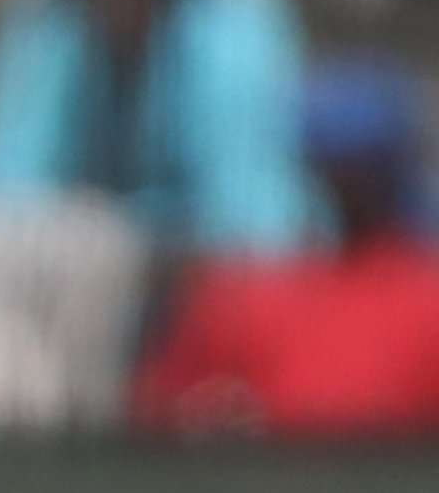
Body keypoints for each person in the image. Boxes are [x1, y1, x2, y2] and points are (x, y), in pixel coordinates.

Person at [0, 0, 321, 264]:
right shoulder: (42, 29)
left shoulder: (238, 32)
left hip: (211, 275)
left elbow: (257, 217)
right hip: (83, 270)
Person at [133, 59, 439, 439]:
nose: (345, 178)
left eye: (358, 165)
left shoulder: (423, 293)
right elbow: (158, 414)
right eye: (335, 164)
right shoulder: (240, 298)